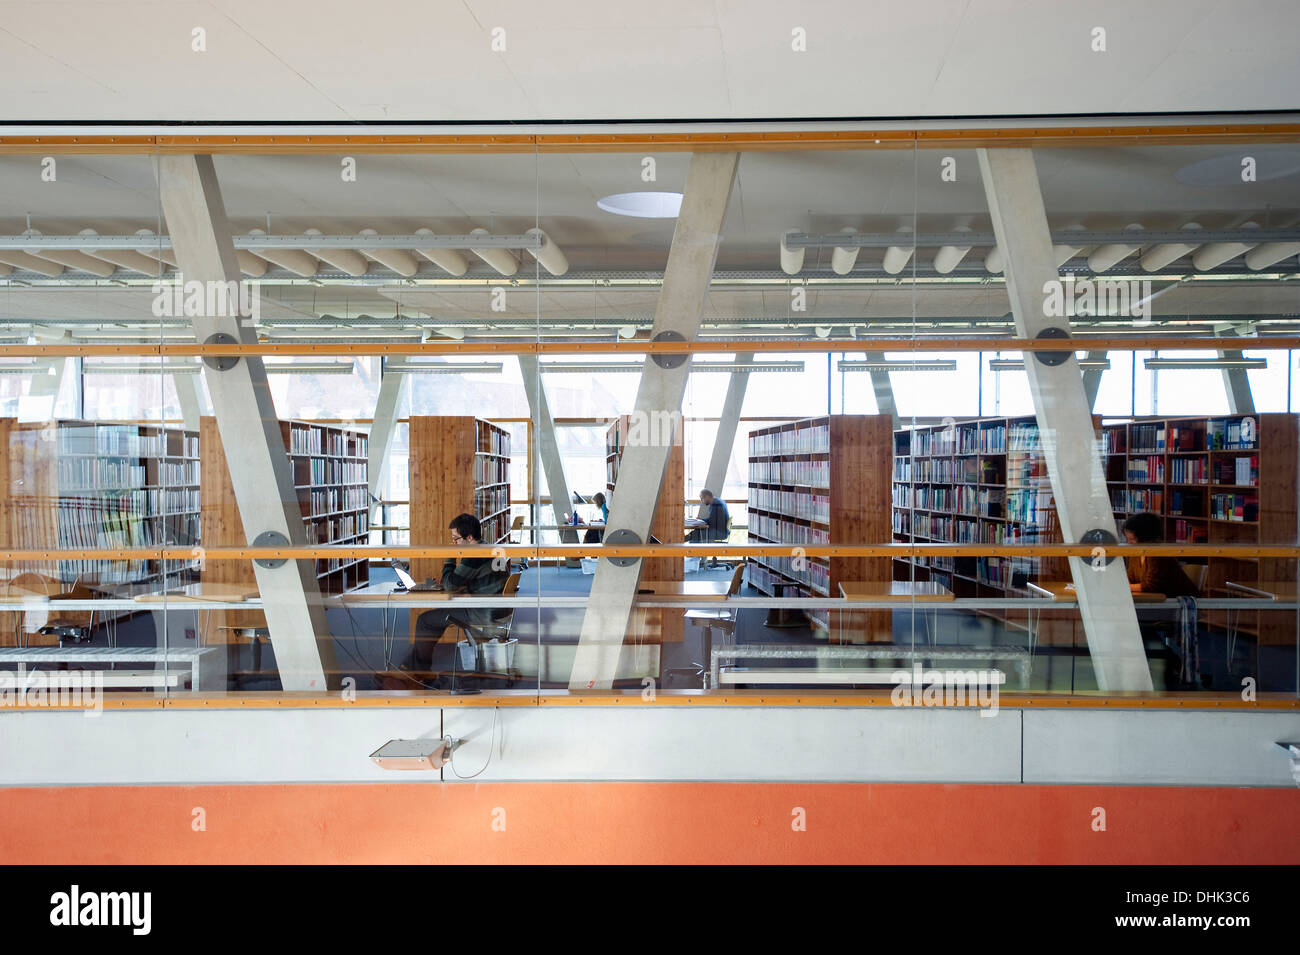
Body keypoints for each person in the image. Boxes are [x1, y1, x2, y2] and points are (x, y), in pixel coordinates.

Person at [393, 513, 510, 688]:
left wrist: (450, 556)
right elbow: (468, 580)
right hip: (497, 609)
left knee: (425, 621)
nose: (453, 543)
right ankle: (416, 669)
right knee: (434, 622)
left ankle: (418, 672)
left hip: (483, 612)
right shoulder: (488, 547)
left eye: (456, 539)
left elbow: (450, 585)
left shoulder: (474, 555)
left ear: (469, 538)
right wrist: (456, 581)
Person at [1123, 512, 1200, 597]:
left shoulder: (1157, 554)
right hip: (1158, 600)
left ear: (1145, 537)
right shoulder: (1137, 552)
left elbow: (1151, 586)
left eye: (1132, 539)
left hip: (1179, 600)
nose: (1129, 543)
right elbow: (1130, 578)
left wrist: (1125, 587)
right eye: (1127, 539)